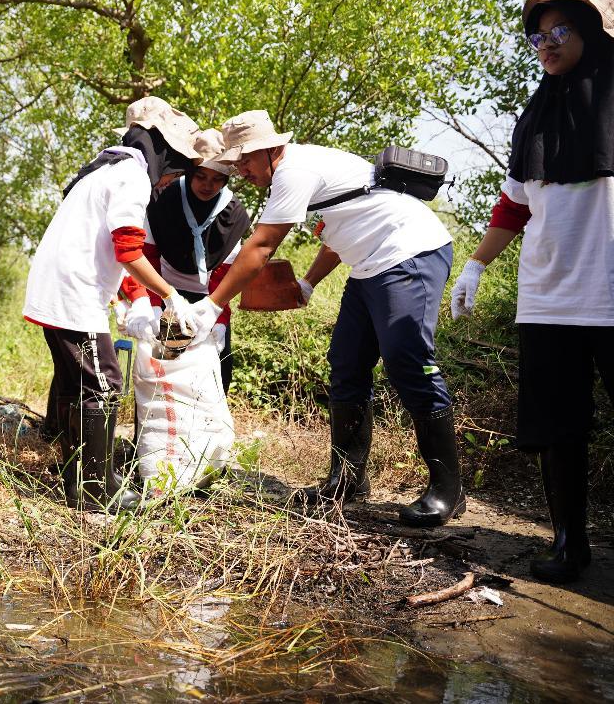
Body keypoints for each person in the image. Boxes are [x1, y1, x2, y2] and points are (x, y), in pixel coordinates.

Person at [183, 110, 462, 526]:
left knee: (408, 361)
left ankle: (448, 490)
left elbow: (261, 247)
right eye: (234, 163)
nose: (239, 170)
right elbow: (338, 232)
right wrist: (309, 283)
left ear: (271, 149)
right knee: (347, 364)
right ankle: (347, 481)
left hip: (410, 255)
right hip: (369, 267)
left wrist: (210, 305)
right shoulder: (300, 170)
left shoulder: (295, 170)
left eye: (244, 160)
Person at [449, 0, 614, 583]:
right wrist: (475, 265)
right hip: (548, 297)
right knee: (557, 428)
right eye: (538, 37)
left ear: (593, 31)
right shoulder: (537, 116)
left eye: (560, 31)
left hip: (610, 290)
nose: (546, 44)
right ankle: (569, 544)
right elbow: (514, 206)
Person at [23, 97, 200, 511]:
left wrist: (136, 300)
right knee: (103, 383)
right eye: (175, 167)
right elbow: (128, 250)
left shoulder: (105, 167)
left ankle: (79, 476)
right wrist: (171, 295)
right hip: (73, 293)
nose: (170, 179)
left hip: (62, 288)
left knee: (75, 385)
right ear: (164, 152)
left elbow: (106, 250)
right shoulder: (132, 176)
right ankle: (96, 489)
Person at [121, 128, 251, 392]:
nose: (207, 185)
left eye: (217, 179)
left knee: (215, 372)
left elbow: (227, 272)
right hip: (164, 288)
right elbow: (147, 255)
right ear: (190, 172)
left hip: (209, 298)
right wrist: (153, 304)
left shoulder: (233, 213)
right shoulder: (163, 199)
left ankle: (207, 432)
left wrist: (221, 317)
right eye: (201, 176)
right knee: (159, 371)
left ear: (226, 181)